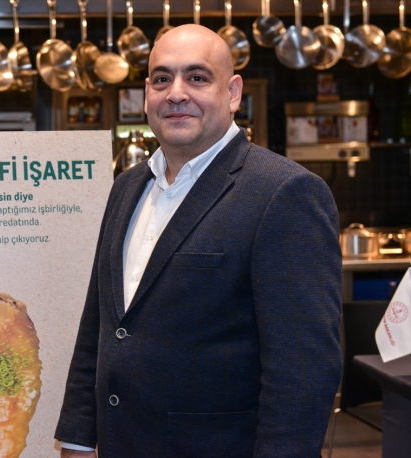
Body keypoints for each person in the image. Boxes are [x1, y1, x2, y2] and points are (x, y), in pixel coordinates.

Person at [55, 24, 342, 458]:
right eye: (162, 78)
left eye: (197, 77)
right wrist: (78, 439)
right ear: (146, 94)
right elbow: (102, 324)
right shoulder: (126, 188)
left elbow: (303, 371)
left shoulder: (284, 193)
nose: (176, 93)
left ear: (232, 92)